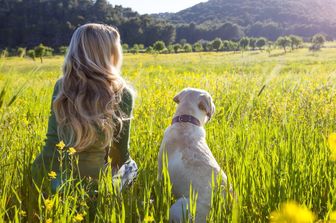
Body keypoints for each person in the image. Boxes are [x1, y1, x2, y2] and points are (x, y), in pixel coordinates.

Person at [31, 23, 137, 193]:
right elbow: (120, 155)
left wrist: (37, 176)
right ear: (109, 53)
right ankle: (105, 194)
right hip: (99, 182)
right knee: (131, 166)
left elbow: (51, 144)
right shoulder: (122, 93)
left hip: (60, 181)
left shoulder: (63, 87)